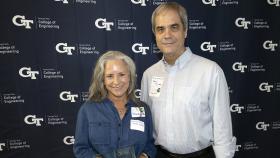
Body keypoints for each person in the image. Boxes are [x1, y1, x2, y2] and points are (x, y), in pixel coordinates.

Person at [140, 2, 236, 158]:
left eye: (174, 27)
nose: (167, 35)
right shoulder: (149, 75)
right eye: (160, 29)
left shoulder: (210, 71)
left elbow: (222, 128)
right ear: (155, 34)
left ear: (185, 31)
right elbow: (146, 124)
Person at [74, 51, 156, 158]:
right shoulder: (88, 109)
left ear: (130, 76)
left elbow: (150, 145)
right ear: (102, 79)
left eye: (121, 75)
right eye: (110, 76)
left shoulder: (143, 109)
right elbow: (80, 149)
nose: (116, 82)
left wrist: (144, 156)